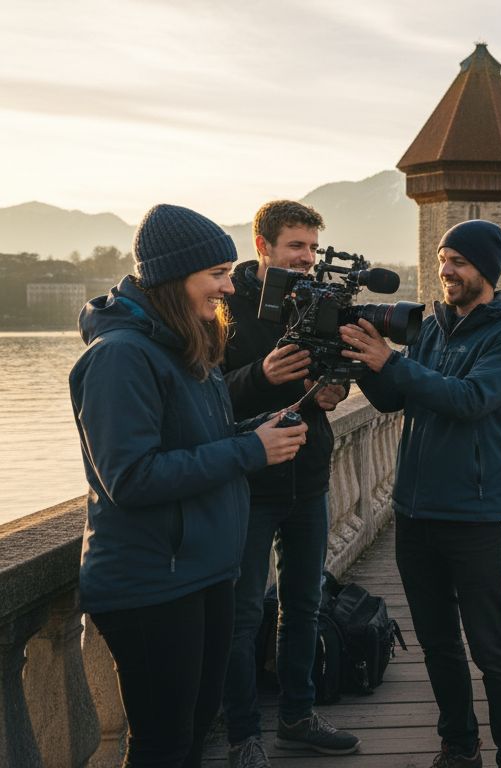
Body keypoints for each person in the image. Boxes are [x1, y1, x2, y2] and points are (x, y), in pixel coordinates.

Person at [70, 204, 308, 767]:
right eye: (218, 275)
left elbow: (202, 438)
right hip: (151, 582)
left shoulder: (184, 344)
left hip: (202, 572)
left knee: (194, 734)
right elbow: (130, 477)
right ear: (176, 277)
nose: (230, 287)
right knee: (163, 746)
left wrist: (256, 431)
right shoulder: (120, 357)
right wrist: (251, 451)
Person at [339, 219, 501, 768]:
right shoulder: (432, 328)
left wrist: (394, 362)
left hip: (476, 516)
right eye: (443, 259)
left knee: (491, 649)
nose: (447, 270)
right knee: (437, 642)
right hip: (414, 511)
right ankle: (458, 744)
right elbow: (393, 400)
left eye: (460, 262)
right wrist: (364, 361)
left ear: (486, 271)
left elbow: (472, 399)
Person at [220, 200, 359, 767]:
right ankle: (242, 736)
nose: (307, 258)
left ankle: (297, 718)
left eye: (311, 247)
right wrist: (261, 375)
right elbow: (204, 401)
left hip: (312, 475)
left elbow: (334, 378)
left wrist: (334, 393)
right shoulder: (225, 306)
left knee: (303, 605)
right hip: (252, 485)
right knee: (243, 612)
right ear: (264, 247)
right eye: (295, 247)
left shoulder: (323, 297)